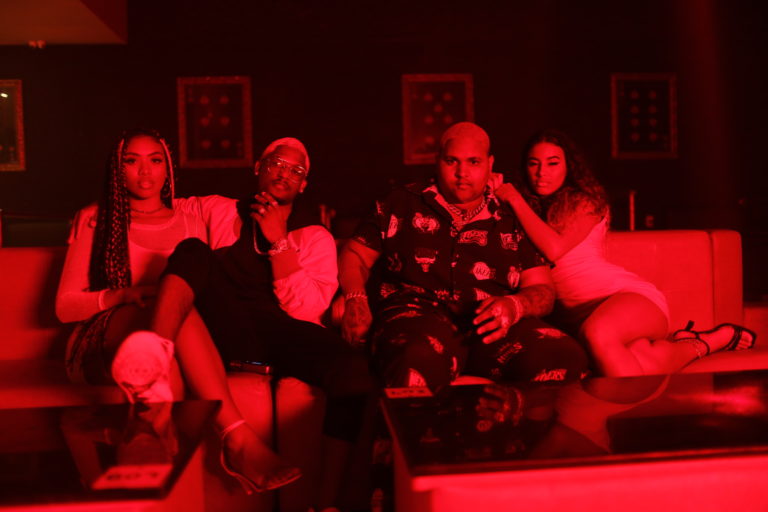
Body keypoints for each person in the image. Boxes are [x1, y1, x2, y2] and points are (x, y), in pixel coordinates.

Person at [124, 137, 374, 511]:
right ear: (259, 168)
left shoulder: (315, 237)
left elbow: (306, 311)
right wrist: (106, 210)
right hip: (224, 326)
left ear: (303, 185)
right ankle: (153, 362)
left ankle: (329, 504)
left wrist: (279, 242)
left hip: (281, 332)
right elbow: (156, 203)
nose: (285, 174)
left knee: (355, 371)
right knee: (193, 250)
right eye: (277, 164)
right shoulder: (217, 210)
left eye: (296, 171)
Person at [56, 128, 300, 493]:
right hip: (104, 337)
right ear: (117, 170)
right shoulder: (97, 219)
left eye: (155, 161)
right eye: (132, 161)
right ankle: (237, 439)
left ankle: (156, 459)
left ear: (167, 169)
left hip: (170, 341)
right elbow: (64, 307)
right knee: (166, 303)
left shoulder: (190, 222)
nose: (145, 171)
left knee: (175, 304)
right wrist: (124, 295)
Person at [339, 122, 589, 392]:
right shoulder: (401, 201)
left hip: (492, 325)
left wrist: (515, 305)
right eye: (452, 161)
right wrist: (355, 298)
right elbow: (355, 254)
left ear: (490, 164)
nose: (462, 173)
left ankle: (510, 419)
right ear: (437, 161)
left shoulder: (511, 213)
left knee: (563, 356)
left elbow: (543, 289)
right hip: (417, 319)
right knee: (414, 358)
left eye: (474, 162)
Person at [494, 129, 756, 376]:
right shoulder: (525, 210)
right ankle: (703, 342)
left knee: (598, 334)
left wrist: (514, 199)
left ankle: (694, 351)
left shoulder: (584, 201)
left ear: (568, 167)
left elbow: (554, 249)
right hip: (579, 319)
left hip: (627, 299)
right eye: (533, 164)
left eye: (553, 163)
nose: (542, 173)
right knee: (644, 360)